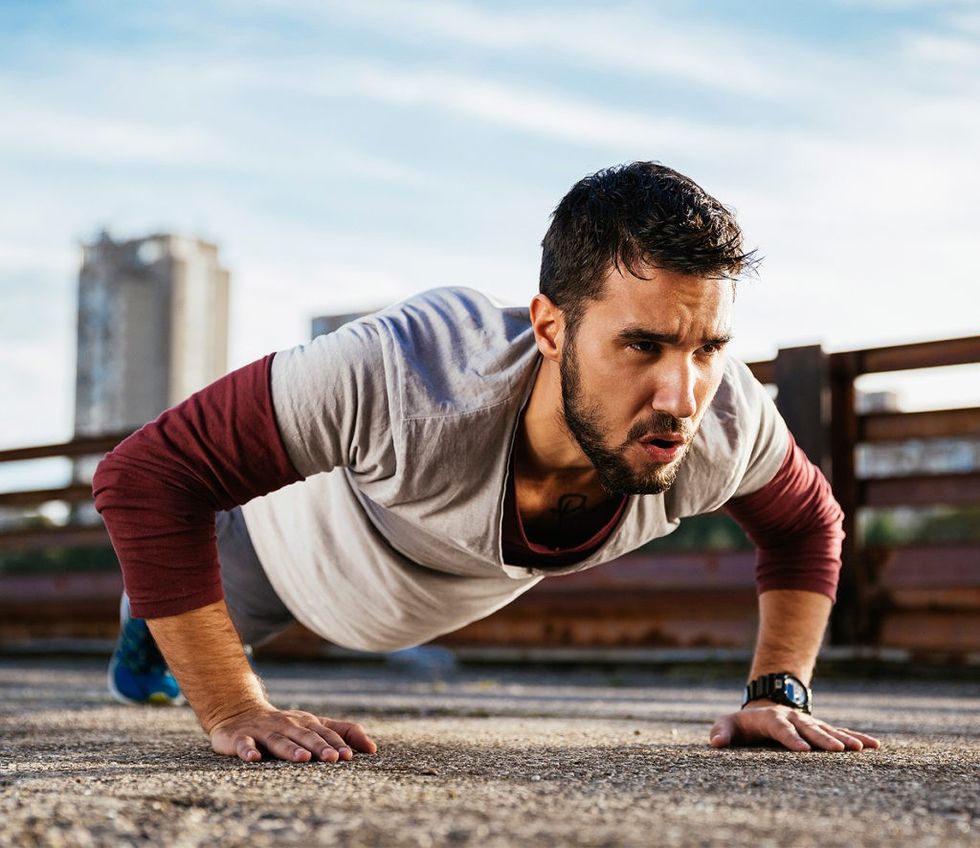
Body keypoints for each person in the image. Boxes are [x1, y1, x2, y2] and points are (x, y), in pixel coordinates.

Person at [93, 161, 881, 764]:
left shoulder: (727, 420)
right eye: (642, 344)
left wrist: (777, 689)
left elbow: (808, 526)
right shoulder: (406, 370)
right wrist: (232, 706)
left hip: (425, 593)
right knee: (174, 636)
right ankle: (144, 631)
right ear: (550, 328)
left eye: (707, 347)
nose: (682, 397)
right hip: (283, 554)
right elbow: (147, 475)